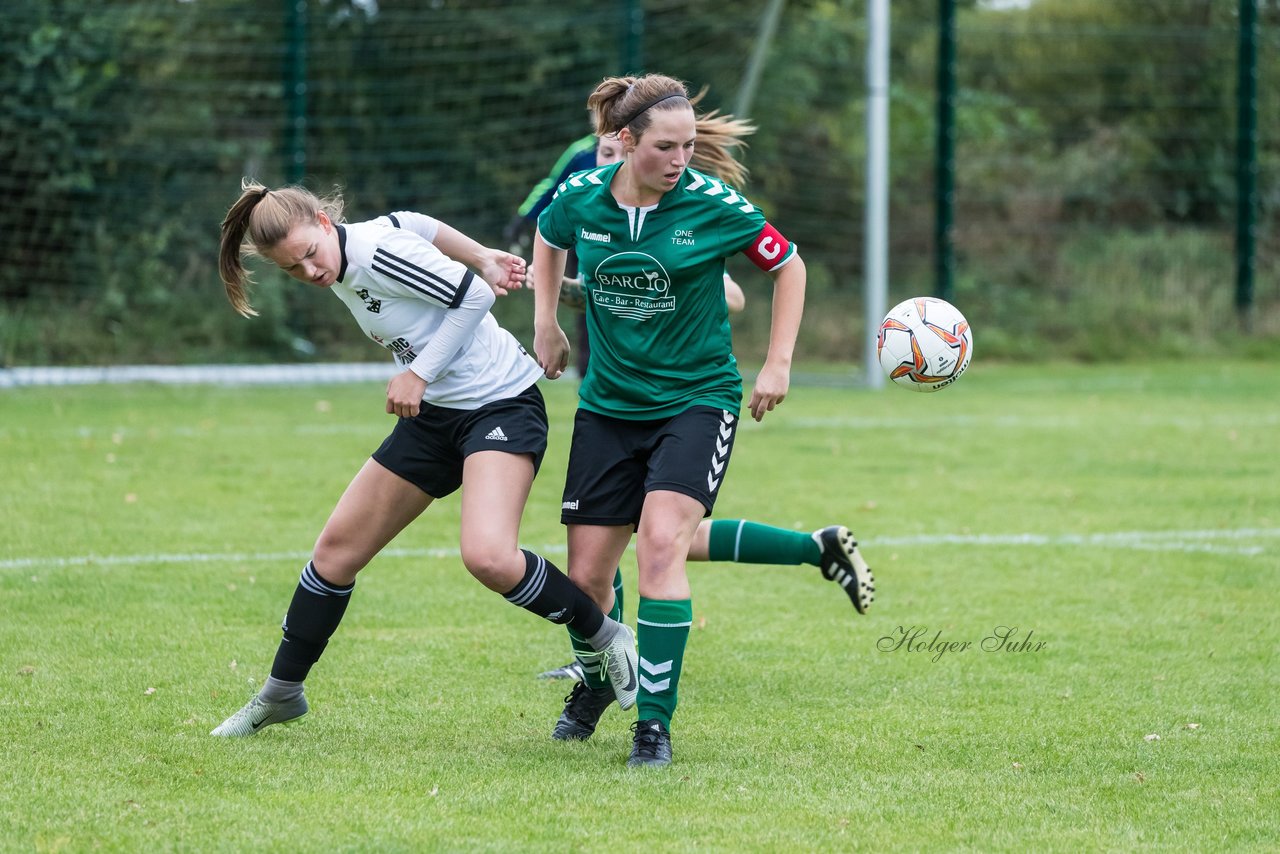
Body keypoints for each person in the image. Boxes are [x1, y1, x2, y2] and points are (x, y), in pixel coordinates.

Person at [209, 179, 638, 737]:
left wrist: (418, 370)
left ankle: (607, 638)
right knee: (336, 553)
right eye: (293, 270)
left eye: (311, 256)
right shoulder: (357, 247)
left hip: (500, 404)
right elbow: (413, 220)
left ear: (321, 222)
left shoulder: (373, 253)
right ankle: (281, 692)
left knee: (488, 556)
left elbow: (475, 296)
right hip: (436, 416)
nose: (311, 274)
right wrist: (480, 252)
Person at [532, 75, 875, 768]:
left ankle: (652, 726)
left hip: (697, 400)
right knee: (588, 577)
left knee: (662, 545)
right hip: (608, 406)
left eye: (689, 145)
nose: (680, 158)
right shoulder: (582, 197)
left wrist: (778, 363)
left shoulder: (711, 203)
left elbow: (790, 266)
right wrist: (544, 323)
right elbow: (547, 236)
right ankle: (596, 685)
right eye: (665, 146)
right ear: (624, 143)